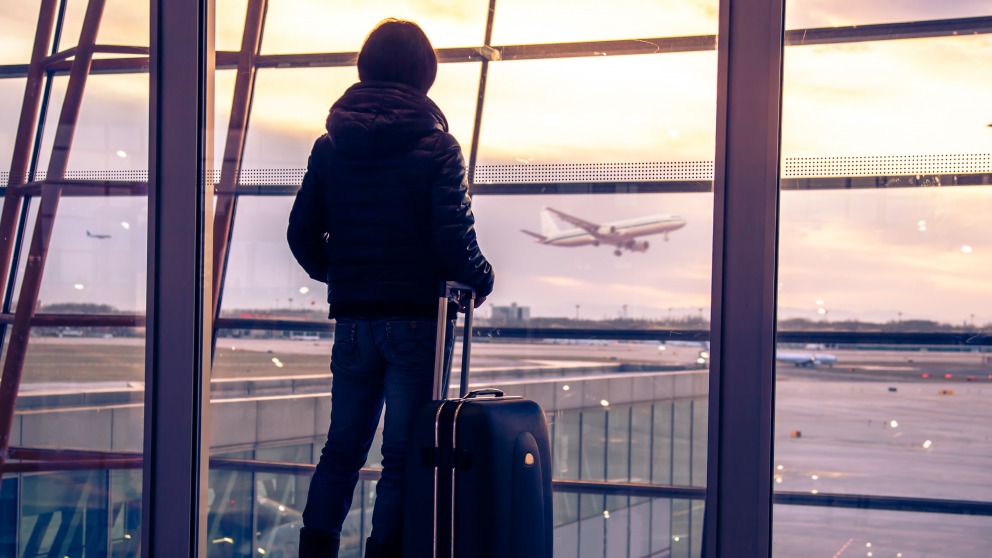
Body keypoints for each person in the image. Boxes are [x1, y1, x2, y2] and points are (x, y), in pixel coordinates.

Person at [287, 18, 495, 558]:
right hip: (415, 321)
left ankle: (316, 550)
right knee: (403, 457)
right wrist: (483, 277)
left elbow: (302, 234)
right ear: (424, 75)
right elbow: (454, 241)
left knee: (341, 451)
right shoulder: (437, 147)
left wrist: (344, 276)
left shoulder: (330, 148)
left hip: (353, 321)